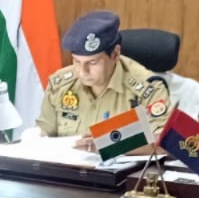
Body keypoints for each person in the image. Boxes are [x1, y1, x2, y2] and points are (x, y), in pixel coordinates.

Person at [36, 10, 172, 150]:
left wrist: (110, 145)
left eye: (92, 62)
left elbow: (170, 142)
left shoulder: (147, 89)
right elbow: (43, 137)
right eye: (76, 61)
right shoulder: (60, 84)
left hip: (122, 165)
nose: (82, 71)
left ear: (115, 54)